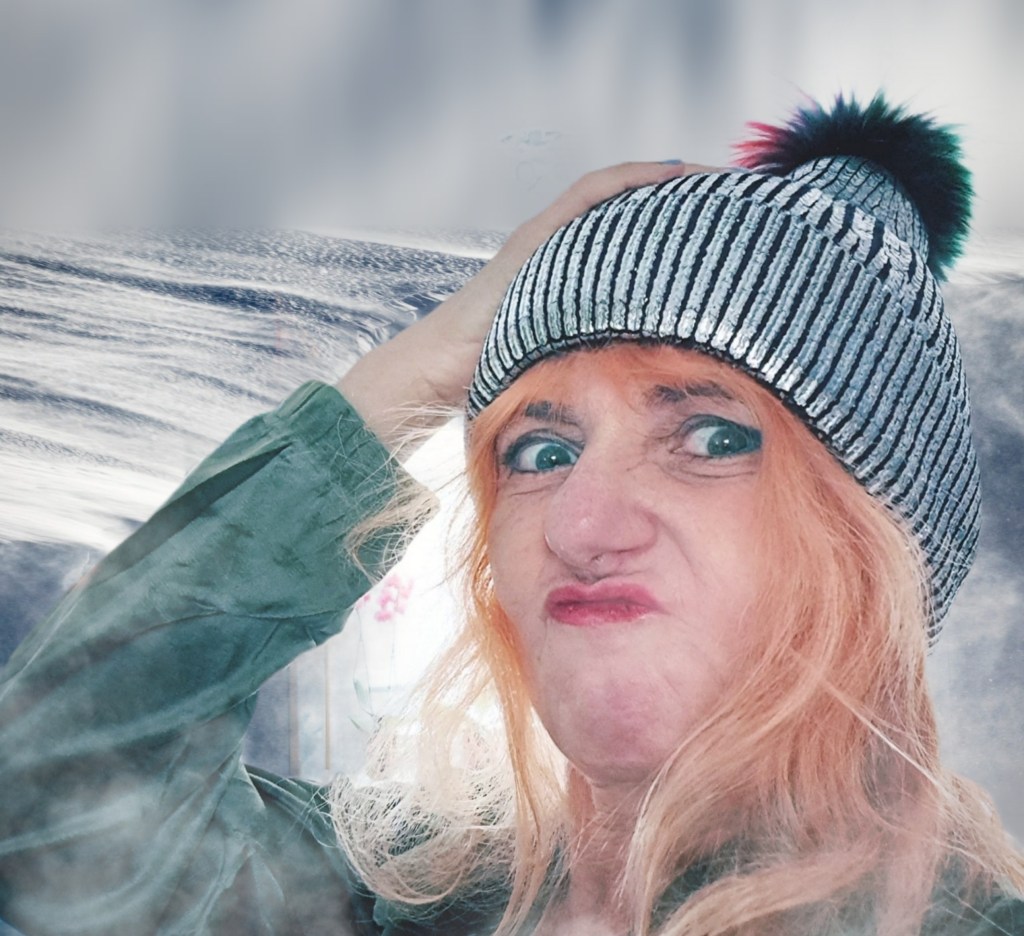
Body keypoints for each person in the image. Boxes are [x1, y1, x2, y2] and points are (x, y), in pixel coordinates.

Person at [0, 94, 1021, 936]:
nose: (579, 527)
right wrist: (419, 367)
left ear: (879, 549)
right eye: (540, 452)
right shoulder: (387, 901)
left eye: (713, 438)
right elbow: (48, 807)